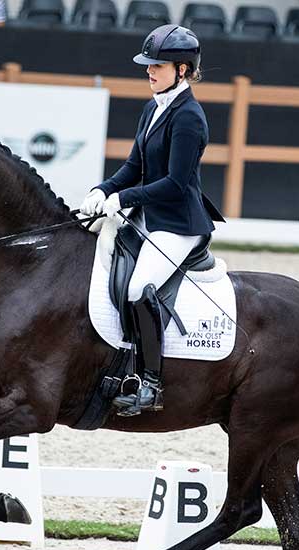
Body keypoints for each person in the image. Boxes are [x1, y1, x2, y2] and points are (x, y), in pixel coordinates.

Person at [79, 24, 224, 417]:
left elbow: (175, 185)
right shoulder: (153, 107)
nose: (149, 71)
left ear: (182, 69)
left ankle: (150, 384)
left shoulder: (189, 117)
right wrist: (103, 190)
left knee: (139, 287)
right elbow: (134, 166)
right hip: (150, 216)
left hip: (179, 224)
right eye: (148, 65)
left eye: (157, 65)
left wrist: (124, 199)